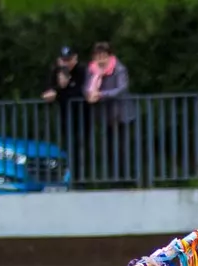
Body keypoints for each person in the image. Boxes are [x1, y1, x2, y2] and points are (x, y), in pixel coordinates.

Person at [84, 41, 136, 184]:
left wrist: (101, 94)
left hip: (121, 114)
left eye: (103, 56)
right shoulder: (92, 70)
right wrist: (89, 95)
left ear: (109, 56)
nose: (100, 59)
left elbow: (121, 88)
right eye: (98, 56)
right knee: (108, 147)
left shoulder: (119, 69)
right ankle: (113, 178)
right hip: (106, 115)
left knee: (122, 147)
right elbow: (87, 87)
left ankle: (126, 178)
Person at [41, 45, 86, 164]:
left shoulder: (81, 70)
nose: (66, 63)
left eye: (69, 60)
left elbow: (82, 91)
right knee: (67, 145)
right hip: (64, 115)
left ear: (75, 58)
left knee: (81, 145)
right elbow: (48, 90)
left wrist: (62, 89)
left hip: (82, 115)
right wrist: (57, 89)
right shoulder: (56, 71)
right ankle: (68, 175)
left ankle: (80, 178)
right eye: (64, 60)